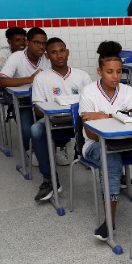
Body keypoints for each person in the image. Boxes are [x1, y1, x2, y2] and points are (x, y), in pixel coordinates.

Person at [80, 43, 132, 242]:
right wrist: (120, 117)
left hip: (126, 143)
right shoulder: (89, 92)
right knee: (111, 159)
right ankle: (109, 221)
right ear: (99, 71)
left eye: (119, 71)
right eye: (109, 72)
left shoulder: (128, 91)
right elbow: (91, 133)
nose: (115, 76)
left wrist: (104, 116)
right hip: (95, 145)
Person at [30, 37, 93, 203]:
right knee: (36, 129)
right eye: (54, 52)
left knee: (103, 126)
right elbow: (37, 108)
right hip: (54, 120)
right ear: (47, 56)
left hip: (80, 120)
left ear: (67, 52)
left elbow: (93, 102)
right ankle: (50, 179)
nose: (59, 55)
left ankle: (114, 173)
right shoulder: (41, 78)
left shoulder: (82, 76)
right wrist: (53, 111)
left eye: (62, 51)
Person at [0, 27, 51, 165]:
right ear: (28, 42)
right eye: (37, 43)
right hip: (22, 100)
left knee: (59, 122)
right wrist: (30, 79)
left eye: (44, 43)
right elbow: (2, 81)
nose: (41, 47)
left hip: (44, 100)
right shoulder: (17, 57)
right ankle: (31, 150)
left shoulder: (47, 58)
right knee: (27, 128)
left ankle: (57, 148)